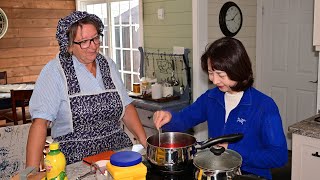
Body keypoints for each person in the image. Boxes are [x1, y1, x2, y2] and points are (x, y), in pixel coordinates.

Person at [153, 37, 288, 179]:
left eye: (220, 75)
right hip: (216, 174)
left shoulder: (264, 106)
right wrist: (169, 117)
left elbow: (278, 156)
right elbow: (184, 119)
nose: (214, 80)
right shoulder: (211, 98)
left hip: (251, 176)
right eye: (211, 73)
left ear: (237, 69)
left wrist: (232, 150)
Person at [26, 11, 147, 167]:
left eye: (95, 38)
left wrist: (147, 144)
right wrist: (31, 172)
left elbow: (126, 107)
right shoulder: (55, 71)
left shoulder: (107, 64)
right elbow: (40, 124)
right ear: (69, 46)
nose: (93, 46)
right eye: (84, 41)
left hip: (117, 154)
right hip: (76, 159)